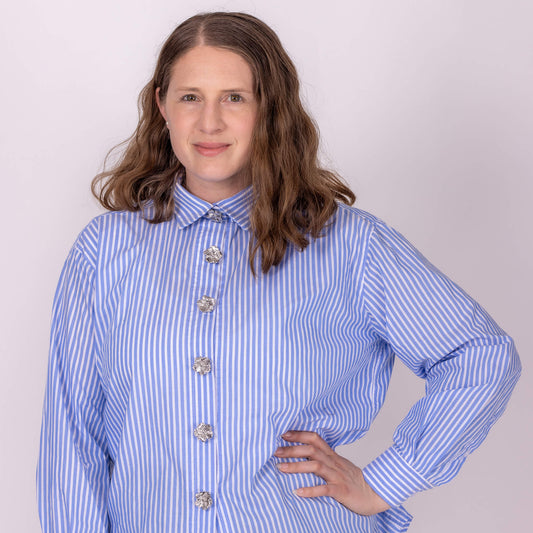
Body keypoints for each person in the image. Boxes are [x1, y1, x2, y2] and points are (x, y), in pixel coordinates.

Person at [36, 11, 521, 533]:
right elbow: (74, 435)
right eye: (191, 97)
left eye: (235, 97)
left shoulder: (349, 244)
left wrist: (384, 482)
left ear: (270, 107)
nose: (209, 123)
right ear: (162, 105)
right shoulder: (104, 251)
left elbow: (479, 354)